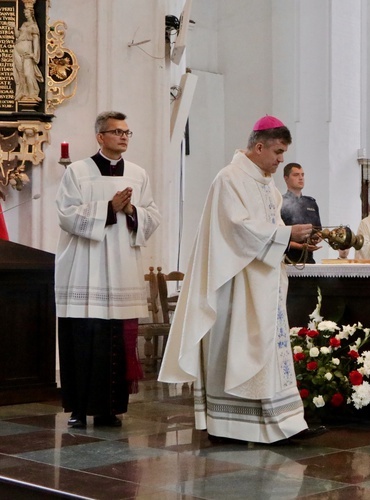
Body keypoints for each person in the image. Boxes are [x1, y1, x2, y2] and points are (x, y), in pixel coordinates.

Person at [159, 115, 314, 444]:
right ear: (259, 147)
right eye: (278, 152)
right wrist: (285, 234)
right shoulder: (228, 179)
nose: (281, 160)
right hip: (234, 285)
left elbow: (265, 235)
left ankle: (281, 423)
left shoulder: (268, 187)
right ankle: (228, 426)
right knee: (238, 351)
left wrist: (293, 242)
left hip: (263, 284)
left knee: (266, 352)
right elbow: (238, 230)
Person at [55, 111, 161, 429]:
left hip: (121, 268)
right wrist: (107, 209)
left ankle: (109, 409)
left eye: (128, 132)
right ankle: (77, 409)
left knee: (114, 343)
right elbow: (66, 214)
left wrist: (131, 210)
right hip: (83, 268)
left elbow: (153, 216)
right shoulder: (77, 172)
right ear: (100, 137)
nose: (124, 137)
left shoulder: (138, 174)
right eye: (117, 132)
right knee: (82, 338)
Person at [280, 163, 322, 263]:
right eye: (296, 175)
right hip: (288, 260)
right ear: (286, 178)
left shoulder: (311, 203)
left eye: (302, 175)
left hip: (308, 260)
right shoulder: (280, 202)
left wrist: (316, 239)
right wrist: (300, 246)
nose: (301, 178)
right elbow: (278, 236)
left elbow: (318, 231)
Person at [12, 6, 43, 102]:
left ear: (31, 13)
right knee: (20, 73)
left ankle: (33, 93)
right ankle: (23, 93)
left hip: (27, 52)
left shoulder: (34, 26)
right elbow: (18, 36)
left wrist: (34, 54)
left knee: (27, 74)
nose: (25, 14)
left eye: (27, 13)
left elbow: (36, 41)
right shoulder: (24, 24)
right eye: (25, 13)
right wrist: (14, 27)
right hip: (17, 50)